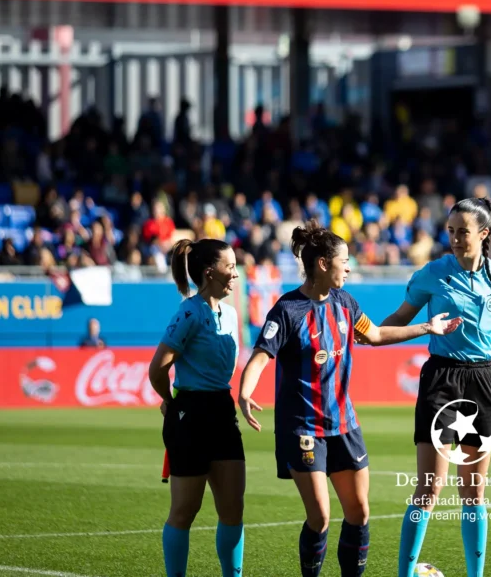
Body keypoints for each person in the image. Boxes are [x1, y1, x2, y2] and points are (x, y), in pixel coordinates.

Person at [238, 221, 462, 577]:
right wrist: (245, 392)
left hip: (344, 424)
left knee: (359, 512)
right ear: (323, 264)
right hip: (303, 429)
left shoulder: (344, 302)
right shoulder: (287, 309)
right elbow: (261, 356)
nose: (349, 266)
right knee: (321, 516)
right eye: (344, 260)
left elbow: (374, 334)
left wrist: (426, 328)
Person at [380, 197, 491, 577]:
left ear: (484, 233)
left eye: (464, 232)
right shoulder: (432, 273)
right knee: (428, 488)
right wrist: (369, 334)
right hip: (440, 379)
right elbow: (402, 317)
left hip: (481, 382)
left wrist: (490, 367)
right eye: (451, 231)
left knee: (473, 492)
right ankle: (404, 574)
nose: (455, 239)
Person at [147, 238, 245, 577]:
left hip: (222, 410)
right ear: (209, 272)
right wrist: (172, 402)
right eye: (230, 267)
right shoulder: (189, 312)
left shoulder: (231, 314)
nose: (236, 273)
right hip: (190, 414)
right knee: (185, 510)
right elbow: (157, 368)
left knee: (233, 509)